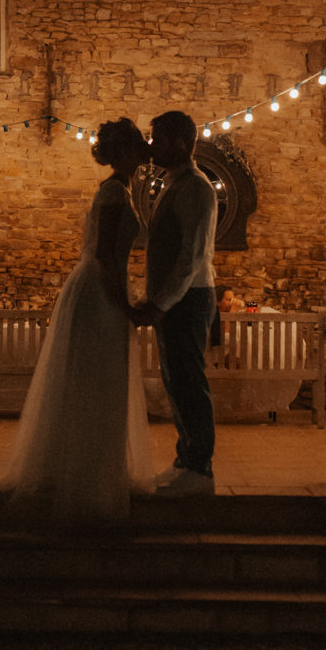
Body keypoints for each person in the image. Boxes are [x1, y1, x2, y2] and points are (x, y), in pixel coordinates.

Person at [2, 117, 154, 528]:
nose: (146, 150)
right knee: (97, 380)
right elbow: (105, 254)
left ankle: (95, 469)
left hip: (102, 287)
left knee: (101, 380)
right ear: (123, 153)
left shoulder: (121, 190)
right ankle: (88, 480)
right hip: (100, 293)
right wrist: (125, 305)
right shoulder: (113, 194)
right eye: (139, 145)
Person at [132, 110, 218, 497]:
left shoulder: (197, 188)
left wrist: (160, 303)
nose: (151, 146)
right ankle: (185, 459)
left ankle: (199, 467)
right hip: (176, 299)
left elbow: (192, 257)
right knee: (175, 380)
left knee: (188, 382)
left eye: (157, 139)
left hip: (188, 297)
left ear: (180, 143)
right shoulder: (173, 183)